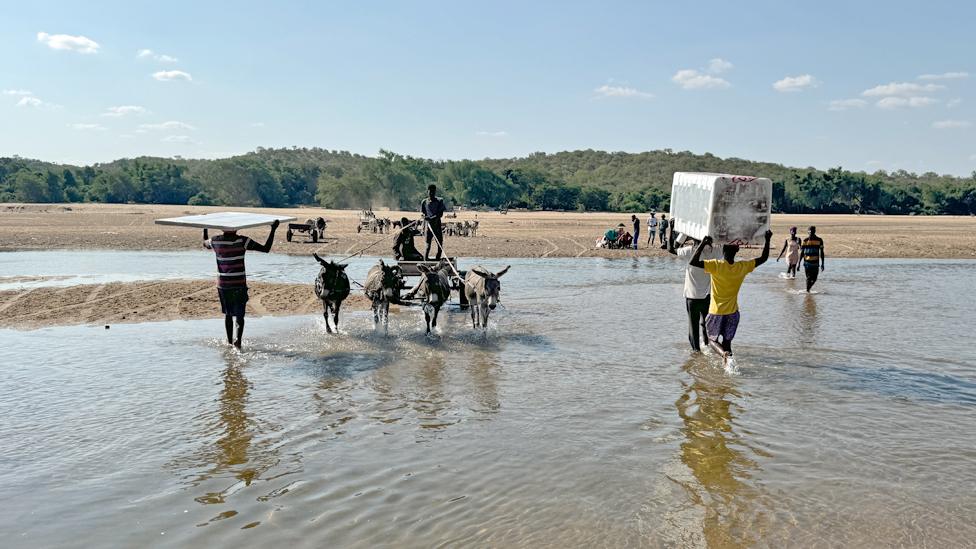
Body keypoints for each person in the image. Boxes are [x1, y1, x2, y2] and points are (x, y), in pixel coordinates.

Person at [689, 229, 773, 359]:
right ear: (737, 251)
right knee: (727, 342)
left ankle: (724, 354)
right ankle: (728, 364)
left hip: (716, 312)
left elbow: (693, 262)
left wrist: (703, 243)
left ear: (723, 250)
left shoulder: (716, 266)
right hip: (733, 312)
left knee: (712, 341)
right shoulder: (742, 267)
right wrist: (767, 240)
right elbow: (763, 258)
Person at [203, 220, 280, 349]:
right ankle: (238, 341)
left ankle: (229, 342)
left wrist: (204, 227)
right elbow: (266, 249)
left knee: (228, 314)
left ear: (222, 229)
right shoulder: (243, 241)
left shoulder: (215, 240)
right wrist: (273, 229)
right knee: (239, 315)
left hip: (223, 284)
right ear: (236, 228)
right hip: (239, 284)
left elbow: (204, 243)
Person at [669, 220, 723, 352]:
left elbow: (671, 248)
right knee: (706, 325)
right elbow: (726, 245)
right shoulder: (715, 252)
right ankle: (707, 346)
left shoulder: (689, 251)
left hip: (692, 297)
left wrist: (672, 229)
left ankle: (696, 352)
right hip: (708, 297)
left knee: (693, 327)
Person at [421, 184, 447, 260]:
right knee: (427, 245)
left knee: (440, 244)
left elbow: (440, 214)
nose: (431, 193)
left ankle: (437, 259)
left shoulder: (440, 201)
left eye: (433, 192)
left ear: (435, 192)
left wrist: (432, 218)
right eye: (430, 192)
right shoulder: (424, 202)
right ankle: (425, 261)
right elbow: (423, 213)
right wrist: (424, 217)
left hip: (437, 226)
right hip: (428, 227)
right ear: (427, 192)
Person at [801, 226, 825, 292]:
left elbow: (822, 252)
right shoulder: (805, 240)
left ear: (815, 231)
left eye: (812, 231)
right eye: (809, 231)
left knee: (815, 278)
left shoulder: (819, 240)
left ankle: (808, 289)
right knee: (808, 278)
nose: (811, 232)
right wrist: (799, 264)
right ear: (808, 232)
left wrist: (822, 264)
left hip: (815, 263)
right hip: (807, 263)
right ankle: (807, 291)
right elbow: (802, 252)